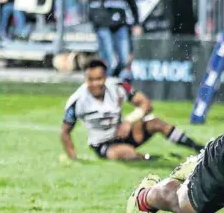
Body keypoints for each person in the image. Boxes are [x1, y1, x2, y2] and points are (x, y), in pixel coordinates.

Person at [61, 60, 204, 161]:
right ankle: (162, 159)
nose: (95, 84)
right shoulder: (77, 101)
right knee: (126, 153)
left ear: (105, 77)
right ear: (85, 79)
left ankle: (199, 149)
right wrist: (73, 158)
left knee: (156, 123)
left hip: (123, 133)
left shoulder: (118, 86)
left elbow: (146, 104)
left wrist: (129, 121)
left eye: (99, 79)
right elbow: (65, 132)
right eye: (90, 80)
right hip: (103, 144)